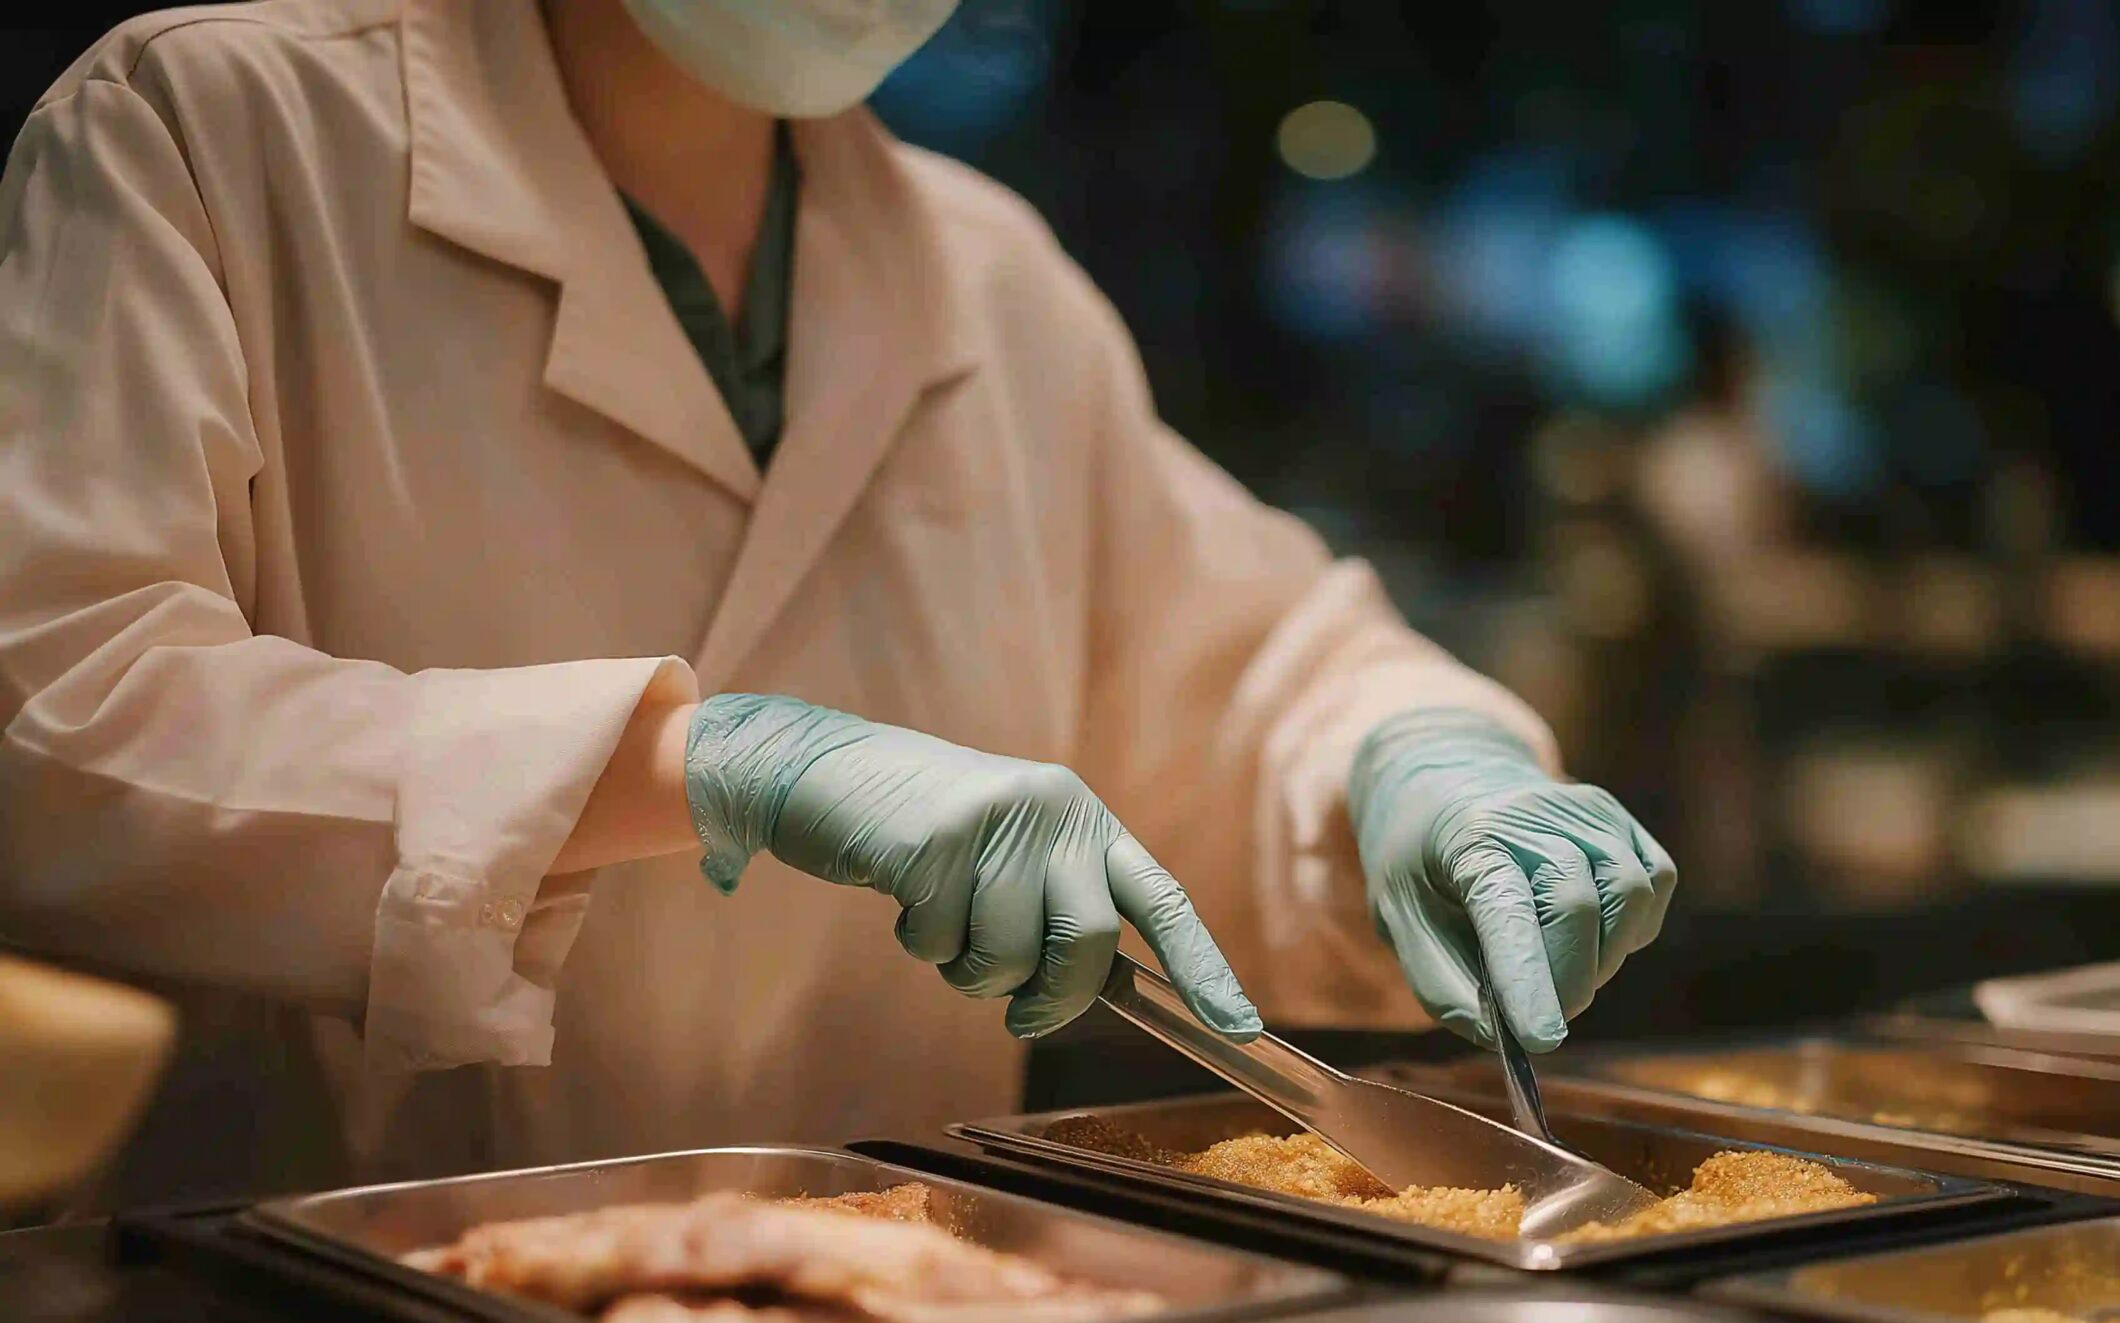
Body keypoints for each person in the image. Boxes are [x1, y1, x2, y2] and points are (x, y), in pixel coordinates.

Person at [0, 0, 1674, 1196]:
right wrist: (701, 762)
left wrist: (1424, 758)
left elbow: (1251, 670)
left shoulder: (988, 274)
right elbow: (54, 720)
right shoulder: (209, 129)